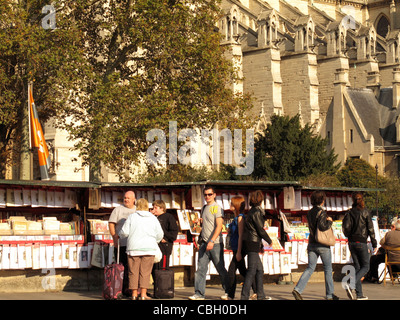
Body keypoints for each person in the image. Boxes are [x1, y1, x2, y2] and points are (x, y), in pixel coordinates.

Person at [292, 190, 339, 300]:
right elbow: (322, 227)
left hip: (312, 243)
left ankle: (297, 289)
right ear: (322, 200)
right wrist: (330, 221)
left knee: (310, 268)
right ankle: (329, 295)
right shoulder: (321, 212)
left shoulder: (309, 212)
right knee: (327, 269)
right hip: (322, 244)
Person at [189, 185, 229, 300]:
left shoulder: (217, 208)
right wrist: (200, 221)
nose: (207, 196)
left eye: (210, 194)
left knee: (220, 268)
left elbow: (219, 226)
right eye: (205, 194)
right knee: (200, 269)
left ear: (214, 195)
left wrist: (212, 241)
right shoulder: (204, 208)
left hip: (215, 243)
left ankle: (228, 292)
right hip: (204, 243)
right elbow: (208, 222)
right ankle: (199, 293)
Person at [119, 198, 164, 300]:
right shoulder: (153, 218)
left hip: (133, 248)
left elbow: (124, 232)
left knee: (133, 272)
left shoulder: (132, 217)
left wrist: (119, 235)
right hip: (149, 248)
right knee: (145, 272)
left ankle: (134, 294)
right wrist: (154, 241)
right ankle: (143, 294)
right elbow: (160, 234)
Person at [342, 191, 377, 300]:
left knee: (357, 268)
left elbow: (346, 228)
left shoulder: (349, 212)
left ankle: (359, 294)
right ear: (362, 200)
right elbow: (371, 229)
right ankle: (350, 284)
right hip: (361, 242)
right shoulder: (366, 212)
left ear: (353, 200)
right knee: (366, 267)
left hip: (351, 242)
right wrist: (374, 243)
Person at [240, 190, 272, 300]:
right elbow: (260, 229)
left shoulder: (251, 211)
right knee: (252, 270)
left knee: (259, 270)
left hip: (251, 242)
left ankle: (261, 295)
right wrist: (269, 240)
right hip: (253, 242)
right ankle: (244, 296)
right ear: (260, 200)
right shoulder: (257, 212)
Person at [226, 195, 256, 300]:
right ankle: (257, 290)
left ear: (236, 206)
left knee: (231, 271)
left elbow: (240, 236)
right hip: (235, 248)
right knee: (243, 271)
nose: (230, 205)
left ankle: (230, 295)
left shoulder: (240, 218)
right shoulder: (235, 218)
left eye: (232, 204)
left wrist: (239, 252)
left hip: (240, 248)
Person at [108, 190, 136, 297]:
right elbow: (111, 223)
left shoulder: (137, 210)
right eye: (125, 198)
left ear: (134, 199)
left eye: (128, 198)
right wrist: (114, 237)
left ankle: (131, 288)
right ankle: (121, 288)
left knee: (132, 268)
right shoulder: (118, 210)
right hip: (121, 244)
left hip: (134, 245)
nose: (126, 200)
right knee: (121, 267)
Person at [151, 200, 178, 284]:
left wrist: (166, 238)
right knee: (154, 267)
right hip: (154, 246)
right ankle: (157, 286)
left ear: (162, 208)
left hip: (164, 246)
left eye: (156, 207)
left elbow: (174, 231)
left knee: (162, 267)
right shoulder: (153, 218)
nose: (154, 209)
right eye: (153, 207)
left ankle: (163, 287)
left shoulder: (168, 217)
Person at [365, 218, 399, 282]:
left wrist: (386, 246)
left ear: (395, 227)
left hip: (390, 259)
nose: (391, 227)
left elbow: (381, 243)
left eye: (392, 226)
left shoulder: (389, 234)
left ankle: (374, 277)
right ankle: (394, 276)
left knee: (374, 258)